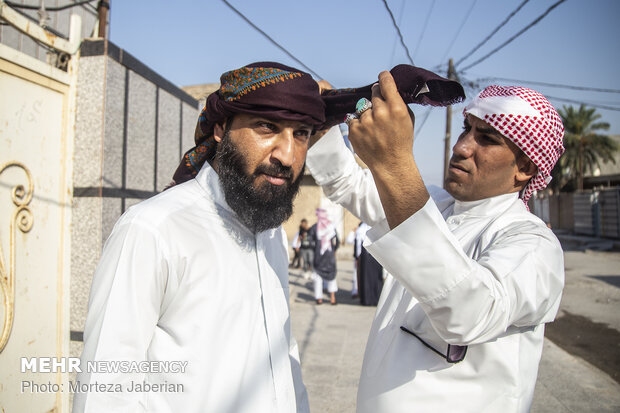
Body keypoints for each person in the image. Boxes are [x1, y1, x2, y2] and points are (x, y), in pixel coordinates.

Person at [73, 62, 327, 413]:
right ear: (221, 129)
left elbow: (283, 360)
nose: (287, 155)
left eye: (301, 133)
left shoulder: (273, 237)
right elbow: (105, 389)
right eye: (268, 127)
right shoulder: (153, 230)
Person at [306, 74, 565, 412]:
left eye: (486, 139)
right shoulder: (437, 208)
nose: (461, 147)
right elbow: (348, 183)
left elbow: (470, 312)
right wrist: (322, 120)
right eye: (466, 130)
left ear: (525, 168)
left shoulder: (532, 243)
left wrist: (395, 164)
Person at [308, 208, 339, 305]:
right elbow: (337, 241)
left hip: (319, 256)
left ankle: (319, 298)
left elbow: (309, 242)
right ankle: (332, 298)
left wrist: (315, 249)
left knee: (318, 277)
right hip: (330, 256)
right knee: (331, 276)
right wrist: (334, 250)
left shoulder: (314, 228)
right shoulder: (331, 227)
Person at [354, 222, 384, 306]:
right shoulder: (378, 226)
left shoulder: (361, 229)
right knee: (375, 277)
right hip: (376, 254)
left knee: (367, 277)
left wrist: (357, 257)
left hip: (366, 256)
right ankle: (376, 299)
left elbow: (358, 244)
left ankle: (367, 300)